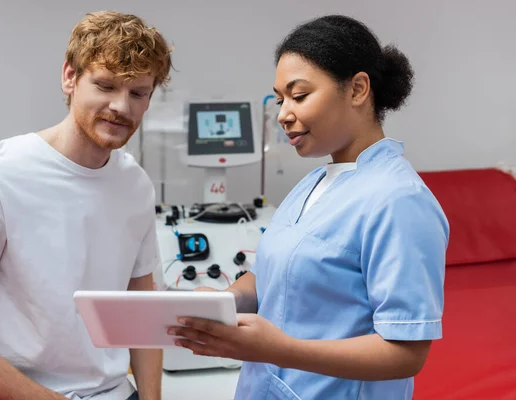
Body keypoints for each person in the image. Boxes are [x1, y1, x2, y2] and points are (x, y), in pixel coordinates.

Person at [168, 15, 449, 400]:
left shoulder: (399, 200)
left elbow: (406, 353)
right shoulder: (314, 183)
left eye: (298, 96)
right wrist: (226, 300)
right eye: (280, 97)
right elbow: (275, 272)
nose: (283, 112)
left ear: (358, 89)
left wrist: (276, 348)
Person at [0, 11, 172, 400]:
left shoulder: (135, 184)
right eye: (105, 86)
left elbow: (142, 314)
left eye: (138, 93)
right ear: (70, 78)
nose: (122, 107)